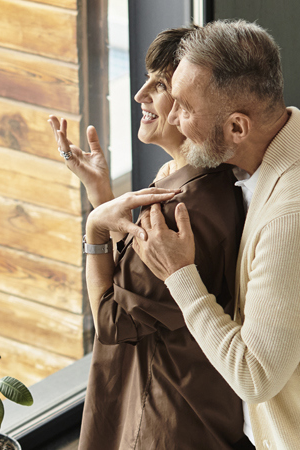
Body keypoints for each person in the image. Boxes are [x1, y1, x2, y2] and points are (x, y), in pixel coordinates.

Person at [128, 20, 300, 449]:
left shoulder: (298, 214)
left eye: (183, 106)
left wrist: (179, 274)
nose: (174, 119)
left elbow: (253, 376)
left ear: (237, 128)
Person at [49, 26, 253, 450]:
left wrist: (96, 228)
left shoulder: (180, 209)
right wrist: (102, 197)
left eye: (160, 84)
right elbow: (151, 292)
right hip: (198, 406)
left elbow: (109, 321)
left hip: (163, 419)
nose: (140, 94)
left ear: (187, 104)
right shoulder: (209, 183)